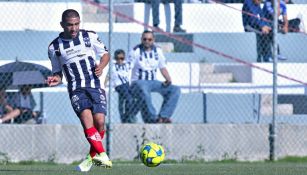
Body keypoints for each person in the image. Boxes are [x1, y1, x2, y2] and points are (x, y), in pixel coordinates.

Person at [46, 9, 112, 172]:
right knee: (87, 120)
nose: (74, 28)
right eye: (69, 25)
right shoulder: (54, 47)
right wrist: (56, 79)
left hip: (95, 85)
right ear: (62, 25)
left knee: (100, 122)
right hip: (76, 88)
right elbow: (58, 72)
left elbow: (105, 54)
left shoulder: (89, 36)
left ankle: (91, 159)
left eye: (76, 24)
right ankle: (102, 155)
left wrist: (101, 66)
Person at [127, 30, 181, 123]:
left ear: (153, 40)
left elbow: (162, 67)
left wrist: (168, 79)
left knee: (175, 90)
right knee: (144, 89)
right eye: (145, 39)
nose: (147, 41)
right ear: (141, 40)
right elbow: (127, 68)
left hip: (153, 81)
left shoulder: (158, 51)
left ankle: (163, 116)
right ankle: (153, 118)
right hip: (139, 81)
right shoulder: (135, 51)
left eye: (149, 39)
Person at [107, 49, 137, 123]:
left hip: (127, 85)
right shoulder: (113, 67)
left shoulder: (127, 65)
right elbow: (108, 76)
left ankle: (126, 117)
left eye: (122, 58)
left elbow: (133, 60)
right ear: (115, 58)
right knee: (129, 99)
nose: (120, 60)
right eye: (117, 58)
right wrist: (103, 85)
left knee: (125, 101)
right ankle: (127, 117)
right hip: (119, 85)